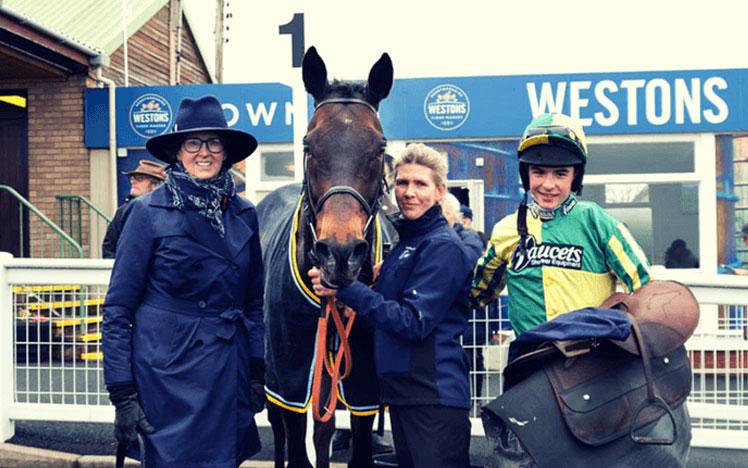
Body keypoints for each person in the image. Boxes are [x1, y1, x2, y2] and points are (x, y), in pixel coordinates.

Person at [102, 95, 266, 467]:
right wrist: (122, 393)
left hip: (227, 368)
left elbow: (254, 302)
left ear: (226, 153)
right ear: (177, 152)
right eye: (193, 143)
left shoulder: (245, 214)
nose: (204, 152)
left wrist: (257, 369)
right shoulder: (145, 213)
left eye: (214, 143)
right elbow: (117, 310)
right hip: (165, 375)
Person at [309, 143, 473, 468]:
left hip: (433, 399)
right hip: (406, 395)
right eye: (402, 182)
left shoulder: (442, 247)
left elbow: (412, 323)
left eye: (420, 184)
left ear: (440, 192)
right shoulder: (406, 244)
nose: (409, 192)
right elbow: (381, 313)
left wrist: (345, 288)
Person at [472, 112, 652, 336]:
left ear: (575, 176)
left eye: (560, 174)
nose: (548, 184)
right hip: (530, 362)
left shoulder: (598, 223)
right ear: (526, 174)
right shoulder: (506, 230)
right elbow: (475, 295)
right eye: (538, 172)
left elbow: (645, 288)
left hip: (591, 361)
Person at [101, 160, 165, 258]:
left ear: (155, 186)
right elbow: (109, 247)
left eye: (139, 178)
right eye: (132, 178)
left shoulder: (168, 212)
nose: (133, 181)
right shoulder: (123, 211)